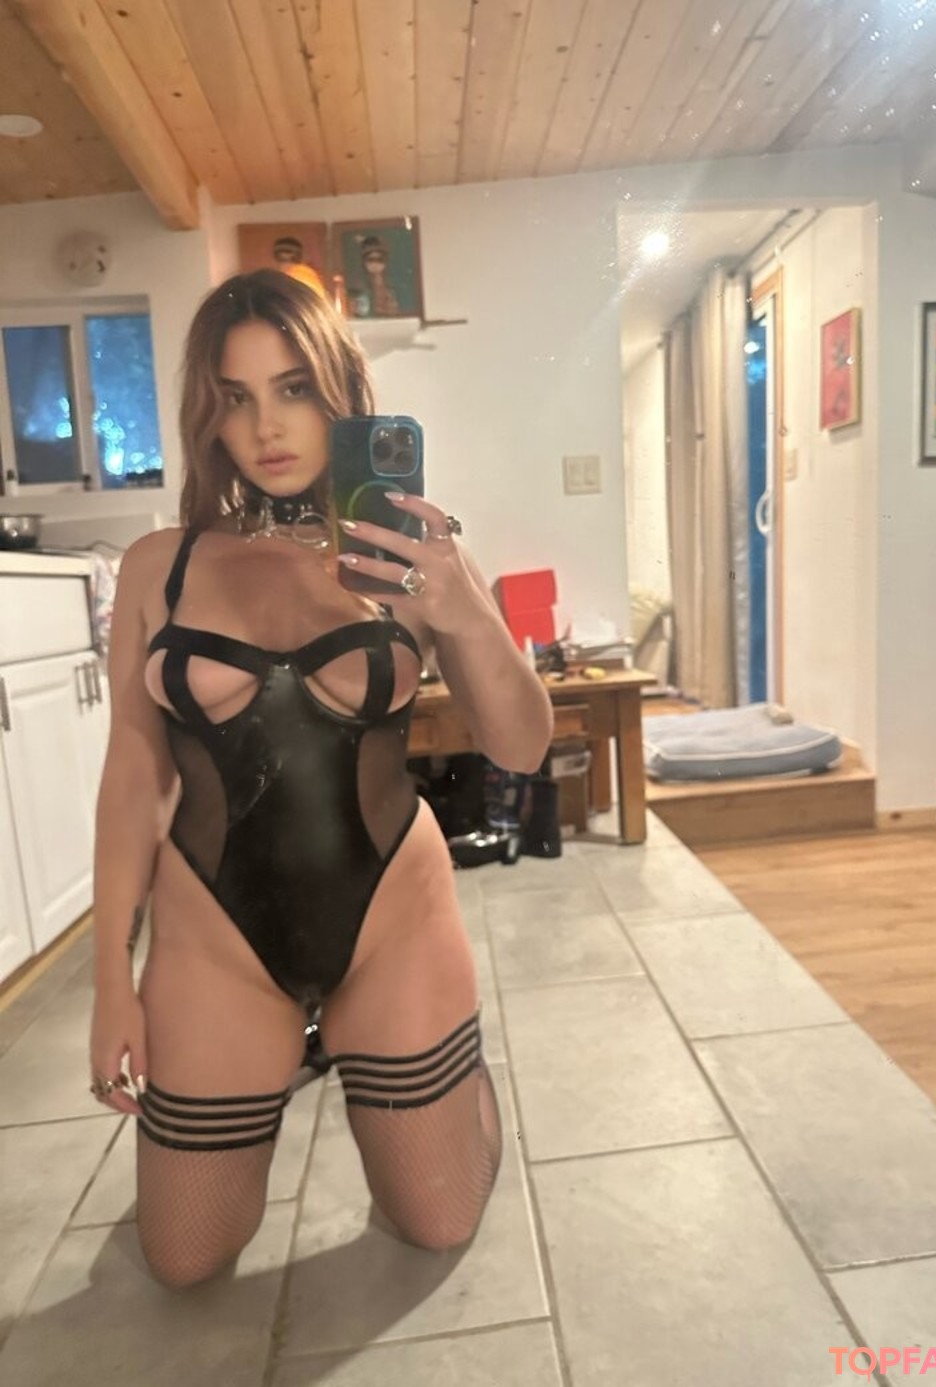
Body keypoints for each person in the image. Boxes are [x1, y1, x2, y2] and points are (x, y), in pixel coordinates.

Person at [89, 268, 553, 1289]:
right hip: (214, 934)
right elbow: (134, 773)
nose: (266, 426)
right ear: (209, 414)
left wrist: (465, 610)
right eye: (236, 396)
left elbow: (522, 746)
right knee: (184, 1260)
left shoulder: (412, 551)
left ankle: (446, 1081)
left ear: (340, 390)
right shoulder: (159, 565)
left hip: (392, 915)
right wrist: (110, 979)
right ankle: (286, 1076)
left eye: (294, 387)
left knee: (437, 1220)